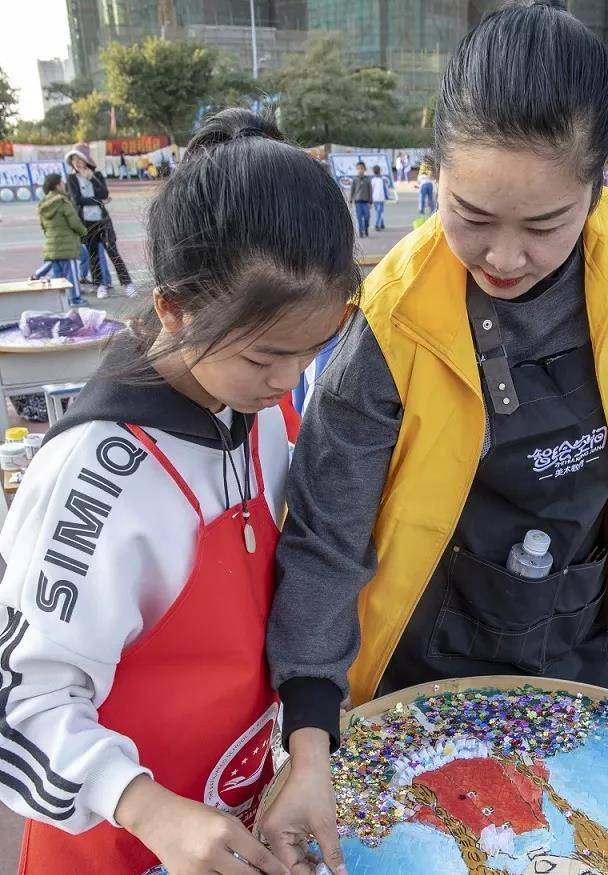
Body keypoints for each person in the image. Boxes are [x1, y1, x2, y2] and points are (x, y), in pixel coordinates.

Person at [260, 4, 608, 872]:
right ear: (434, 168)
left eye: (545, 225)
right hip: (430, 655)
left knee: (577, 841)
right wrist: (309, 738)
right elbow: (325, 539)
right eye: (472, 214)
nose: (505, 257)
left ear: (600, 184)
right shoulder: (390, 326)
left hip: (584, 626)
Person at [0, 108, 358, 875]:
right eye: (265, 356)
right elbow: (22, 704)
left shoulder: (259, 404)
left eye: (310, 351)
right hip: (114, 838)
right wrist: (148, 807)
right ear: (171, 307)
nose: (288, 380)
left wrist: (306, 743)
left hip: (233, 807)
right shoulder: (97, 475)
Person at [65, 143, 135, 298]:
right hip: (86, 223)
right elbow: (77, 200)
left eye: (79, 159)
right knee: (93, 256)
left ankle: (128, 284)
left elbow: (104, 193)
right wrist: (99, 201)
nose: (77, 162)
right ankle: (100, 286)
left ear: (86, 160)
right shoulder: (71, 178)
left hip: (103, 221)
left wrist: (92, 180)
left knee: (113, 253)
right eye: (74, 160)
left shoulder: (96, 175)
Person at [35, 172, 88, 306]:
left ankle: (59, 301)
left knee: (57, 276)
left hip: (51, 243)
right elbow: (74, 223)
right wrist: (83, 232)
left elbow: (43, 225)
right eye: (62, 182)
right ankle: (75, 299)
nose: (64, 184)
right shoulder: (63, 201)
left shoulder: (43, 203)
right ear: (57, 185)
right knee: (71, 274)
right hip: (67, 244)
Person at [350, 161, 372, 238]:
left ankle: (366, 228)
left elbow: (370, 190)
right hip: (357, 202)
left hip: (366, 202)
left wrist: (370, 201)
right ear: (357, 169)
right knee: (359, 218)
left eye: (362, 168)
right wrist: (350, 199)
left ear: (364, 169)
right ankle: (360, 231)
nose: (360, 170)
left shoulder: (367, 179)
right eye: (358, 168)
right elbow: (352, 190)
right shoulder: (355, 179)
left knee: (367, 217)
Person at [371, 164, 388, 230]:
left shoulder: (373, 180)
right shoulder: (382, 179)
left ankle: (377, 224)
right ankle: (381, 222)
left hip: (376, 198)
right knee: (379, 211)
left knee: (378, 211)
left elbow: (371, 189)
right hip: (380, 198)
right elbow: (385, 189)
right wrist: (386, 196)